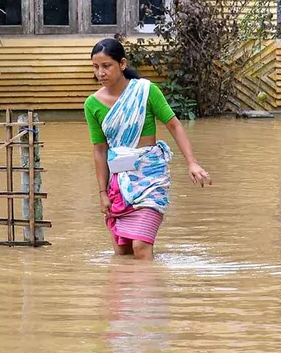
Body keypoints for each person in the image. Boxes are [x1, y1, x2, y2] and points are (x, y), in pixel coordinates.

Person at [85, 38, 210, 259]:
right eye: (96, 67)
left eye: (106, 66)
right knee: (122, 253)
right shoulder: (92, 104)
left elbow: (174, 125)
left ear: (122, 64)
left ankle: (147, 292)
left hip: (150, 179)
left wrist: (192, 162)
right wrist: (102, 193)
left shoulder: (146, 91)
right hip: (118, 184)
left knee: (141, 248)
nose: (100, 73)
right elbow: (100, 150)